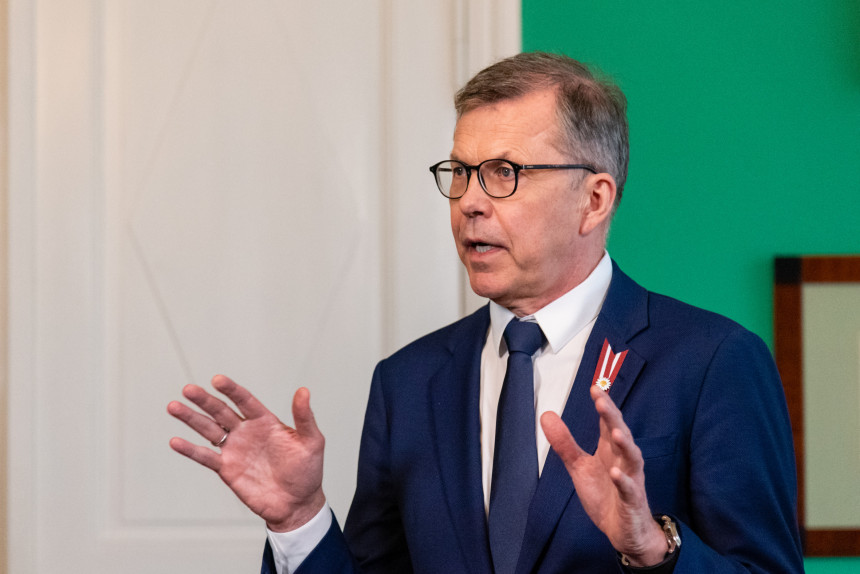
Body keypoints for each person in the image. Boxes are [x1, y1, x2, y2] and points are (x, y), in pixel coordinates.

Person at [168, 52, 804, 573]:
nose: (469, 201)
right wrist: (299, 520)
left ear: (594, 200)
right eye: (461, 172)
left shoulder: (713, 363)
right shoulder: (407, 382)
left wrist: (654, 550)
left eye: (503, 172)